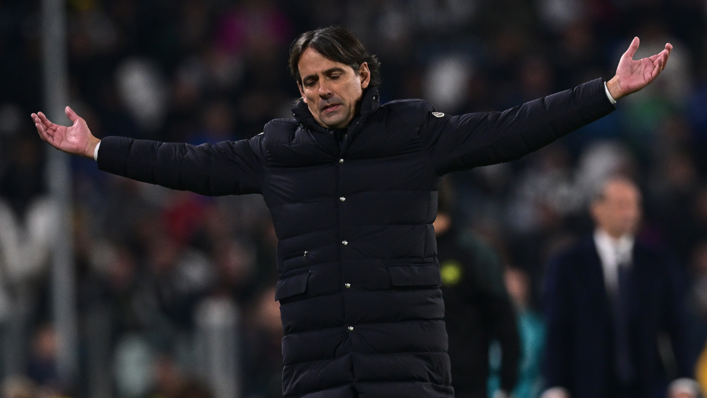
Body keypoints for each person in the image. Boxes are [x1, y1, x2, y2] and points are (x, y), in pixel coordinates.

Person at [33, 27, 672, 398]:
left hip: (409, 374)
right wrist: (95, 148)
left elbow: (515, 128)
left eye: (332, 75)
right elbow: (186, 164)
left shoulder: (415, 132)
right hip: (317, 376)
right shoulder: (275, 152)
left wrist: (608, 91)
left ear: (364, 75)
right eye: (309, 82)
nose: (320, 91)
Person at [542, 177, 698, 398]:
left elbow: (677, 324)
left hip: (648, 386)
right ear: (597, 209)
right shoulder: (568, 264)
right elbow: (558, 329)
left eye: (635, 204)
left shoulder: (658, 263)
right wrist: (555, 386)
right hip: (586, 387)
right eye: (621, 204)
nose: (630, 213)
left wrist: (684, 380)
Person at [433, 187, 520, 398]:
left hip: (465, 385)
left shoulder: (475, 253)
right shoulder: (404, 254)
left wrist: (506, 386)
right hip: (414, 382)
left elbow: (504, 321)